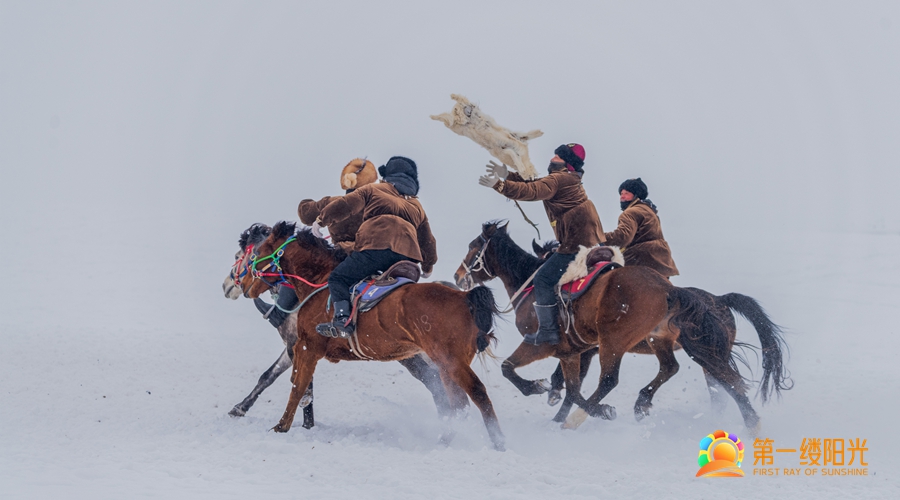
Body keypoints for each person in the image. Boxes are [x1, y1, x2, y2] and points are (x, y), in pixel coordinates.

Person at [479, 143, 604, 345]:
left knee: (543, 279)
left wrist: (500, 185)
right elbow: (536, 183)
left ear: (567, 163)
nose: (552, 158)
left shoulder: (560, 179)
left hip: (575, 243)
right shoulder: (568, 179)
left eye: (558, 156)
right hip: (585, 240)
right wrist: (507, 175)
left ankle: (548, 331)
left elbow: (533, 190)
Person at [314, 156, 438, 338]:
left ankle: (343, 320)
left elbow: (346, 204)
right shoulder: (417, 206)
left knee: (338, 278)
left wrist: (321, 220)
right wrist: (428, 266)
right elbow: (428, 241)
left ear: (387, 176)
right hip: (407, 258)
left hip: (375, 248)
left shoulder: (373, 189)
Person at [254, 159, 378, 328]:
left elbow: (304, 213)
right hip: (379, 258)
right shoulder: (381, 204)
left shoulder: (334, 202)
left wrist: (309, 202)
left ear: (345, 181)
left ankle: (278, 314)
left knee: (299, 267)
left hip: (343, 258)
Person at [604, 178, 679, 279]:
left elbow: (623, 237)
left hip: (639, 260)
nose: (622, 196)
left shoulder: (630, 212)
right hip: (661, 262)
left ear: (636, 195)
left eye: (626, 193)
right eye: (621, 193)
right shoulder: (650, 211)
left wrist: (599, 237)